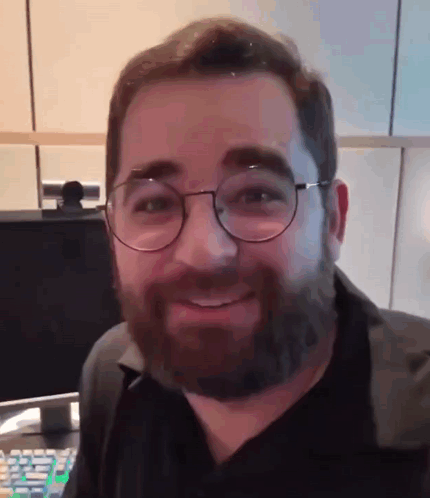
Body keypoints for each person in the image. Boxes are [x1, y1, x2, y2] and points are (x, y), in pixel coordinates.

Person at [62, 17, 430, 498]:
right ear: (112, 230)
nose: (204, 252)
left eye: (256, 195)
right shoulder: (111, 379)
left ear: (333, 220)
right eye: (153, 203)